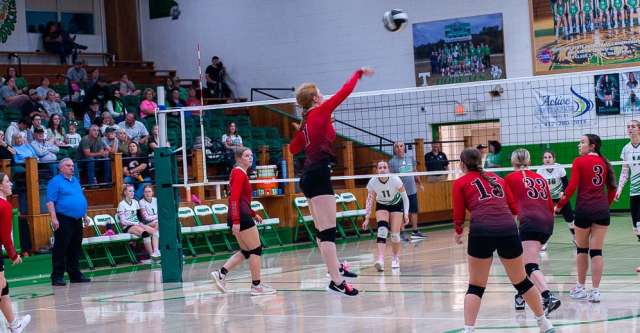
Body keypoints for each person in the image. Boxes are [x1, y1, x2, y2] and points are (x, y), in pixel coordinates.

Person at [289, 67, 373, 296]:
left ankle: (335, 271)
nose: (324, 95)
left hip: (309, 177)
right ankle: (336, 281)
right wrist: (357, 73)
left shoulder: (307, 120)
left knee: (321, 232)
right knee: (328, 233)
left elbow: (293, 147)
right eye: (320, 93)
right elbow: (344, 92)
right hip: (318, 176)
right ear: (315, 98)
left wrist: (319, 128)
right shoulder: (319, 112)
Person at [452, 148, 554, 333]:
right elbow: (514, 209)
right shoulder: (498, 179)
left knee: (475, 286)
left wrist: (458, 231)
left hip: (481, 231)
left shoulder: (460, 183)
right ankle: (544, 323)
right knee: (522, 281)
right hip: (508, 230)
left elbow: (458, 214)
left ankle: (468, 329)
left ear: (462, 164)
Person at [556, 134, 616, 303]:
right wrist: (606, 206)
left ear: (592, 146)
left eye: (582, 142)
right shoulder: (605, 163)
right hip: (602, 212)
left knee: (582, 250)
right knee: (597, 252)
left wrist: (559, 205)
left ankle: (581, 288)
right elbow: (612, 188)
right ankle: (595, 292)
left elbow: (571, 187)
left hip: (584, 211)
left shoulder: (579, 161)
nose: (579, 145)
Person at [211, 147, 276, 296]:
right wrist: (236, 221)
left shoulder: (239, 173)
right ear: (239, 158)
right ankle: (256, 286)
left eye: (251, 155)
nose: (250, 158)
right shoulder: (239, 173)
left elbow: (241, 200)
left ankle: (221, 273)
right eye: (247, 156)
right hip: (239, 216)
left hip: (240, 214)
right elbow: (234, 199)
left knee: (246, 251)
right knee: (256, 250)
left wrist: (253, 213)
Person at [505, 149, 561, 315]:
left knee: (529, 265)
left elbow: (508, 205)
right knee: (523, 261)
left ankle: (548, 296)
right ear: (529, 162)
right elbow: (550, 205)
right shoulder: (540, 178)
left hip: (529, 222)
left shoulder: (510, 178)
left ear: (513, 162)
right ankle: (521, 296)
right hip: (547, 222)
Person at [46, 158, 91, 285]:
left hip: (77, 219)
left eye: (72, 165)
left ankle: (75, 274)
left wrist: (85, 215)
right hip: (63, 218)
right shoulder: (55, 182)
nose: (72, 167)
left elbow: (80, 198)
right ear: (61, 168)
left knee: (75, 247)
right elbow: (50, 202)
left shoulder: (75, 180)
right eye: (68, 165)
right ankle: (57, 276)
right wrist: (54, 218)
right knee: (61, 248)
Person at [362, 161, 409, 271]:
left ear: (388, 169)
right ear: (377, 170)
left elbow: (405, 198)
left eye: (384, 167)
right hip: (382, 205)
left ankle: (395, 257)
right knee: (382, 231)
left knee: (395, 235)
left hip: (396, 205)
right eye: (380, 167)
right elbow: (370, 200)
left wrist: (406, 214)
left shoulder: (395, 180)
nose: (382, 169)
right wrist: (367, 217)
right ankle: (380, 260)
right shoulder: (372, 182)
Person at [0, 172, 32, 332]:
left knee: (3, 289)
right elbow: (4, 235)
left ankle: (14, 325)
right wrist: (13, 254)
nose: (11, 184)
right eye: (7, 181)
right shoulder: (4, 205)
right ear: (0, 185)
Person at [389, 141, 426, 240]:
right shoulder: (392, 162)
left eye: (401, 146)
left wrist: (420, 183)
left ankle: (415, 231)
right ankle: (402, 232)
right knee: (401, 212)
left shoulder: (410, 158)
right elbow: (391, 177)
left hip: (412, 190)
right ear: (394, 149)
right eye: (397, 147)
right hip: (400, 192)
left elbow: (414, 171)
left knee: (414, 211)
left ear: (404, 148)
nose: (399, 148)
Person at [538, 150, 575, 245]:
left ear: (554, 159)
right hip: (548, 197)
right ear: (542, 160)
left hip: (560, 195)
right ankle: (544, 242)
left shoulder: (559, 167)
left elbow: (565, 182)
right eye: (545, 157)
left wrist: (564, 193)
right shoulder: (540, 170)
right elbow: (539, 187)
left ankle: (575, 237)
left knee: (569, 217)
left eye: (549, 157)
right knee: (545, 219)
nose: (547, 159)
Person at [117, 184, 160, 262]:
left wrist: (140, 223)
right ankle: (152, 257)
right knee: (145, 233)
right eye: (130, 191)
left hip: (137, 224)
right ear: (125, 192)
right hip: (128, 227)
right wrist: (134, 223)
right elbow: (122, 221)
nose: (132, 193)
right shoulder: (121, 204)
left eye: (133, 191)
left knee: (155, 232)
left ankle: (156, 252)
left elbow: (139, 217)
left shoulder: (135, 202)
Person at [615, 120, 640, 242]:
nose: (630, 129)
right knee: (636, 227)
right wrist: (619, 189)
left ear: (639, 129)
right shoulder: (626, 149)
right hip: (634, 190)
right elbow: (625, 172)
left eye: (633, 126)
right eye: (628, 127)